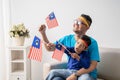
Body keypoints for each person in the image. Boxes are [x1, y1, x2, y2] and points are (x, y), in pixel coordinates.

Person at [39, 14, 100, 80]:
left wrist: (75, 75)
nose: (76, 24)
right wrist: (43, 33)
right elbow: (50, 48)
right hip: (70, 72)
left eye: (80, 23)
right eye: (76, 21)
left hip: (86, 74)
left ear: (87, 27)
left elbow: (92, 66)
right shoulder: (67, 39)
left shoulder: (92, 43)